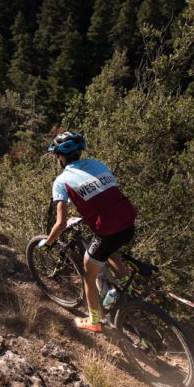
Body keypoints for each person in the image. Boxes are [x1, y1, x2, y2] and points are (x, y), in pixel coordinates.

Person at [40, 131, 137, 332]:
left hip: (107, 230)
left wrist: (48, 242)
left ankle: (94, 322)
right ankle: (127, 290)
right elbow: (106, 197)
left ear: (60, 157)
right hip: (128, 221)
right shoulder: (98, 165)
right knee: (109, 248)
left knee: (88, 275)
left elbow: (60, 224)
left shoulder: (62, 181)